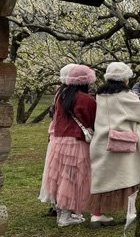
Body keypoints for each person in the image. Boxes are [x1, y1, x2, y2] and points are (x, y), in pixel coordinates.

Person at [88, 62, 140, 228]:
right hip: (125, 141)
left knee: (102, 178)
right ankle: (132, 212)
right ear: (125, 78)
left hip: (103, 141)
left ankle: (96, 214)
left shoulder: (101, 94)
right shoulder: (126, 95)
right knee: (131, 175)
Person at [40, 64, 97, 227]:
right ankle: (66, 215)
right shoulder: (87, 100)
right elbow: (91, 120)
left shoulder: (60, 95)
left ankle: (60, 211)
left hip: (57, 141)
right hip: (75, 142)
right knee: (71, 178)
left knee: (59, 177)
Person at [39, 63, 77, 217]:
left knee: (54, 172)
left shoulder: (59, 92)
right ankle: (64, 204)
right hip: (65, 137)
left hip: (54, 135)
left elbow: (52, 113)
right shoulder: (72, 94)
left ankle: (55, 204)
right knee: (66, 172)